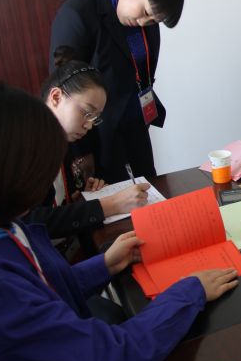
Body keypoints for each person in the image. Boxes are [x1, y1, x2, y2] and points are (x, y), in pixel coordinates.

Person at [0, 76, 239, 361]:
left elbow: (45, 291)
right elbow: (111, 357)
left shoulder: (2, 223)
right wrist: (189, 293)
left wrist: (104, 265)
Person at [49, 0, 185, 183]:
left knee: (149, 190)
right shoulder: (78, 14)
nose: (144, 23)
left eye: (153, 21)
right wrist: (81, 153)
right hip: (96, 134)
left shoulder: (146, 17)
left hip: (135, 124)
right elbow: (66, 90)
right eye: (144, 13)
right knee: (113, 198)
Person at [24, 47, 150, 239]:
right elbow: (29, 222)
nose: (89, 125)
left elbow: (53, 205)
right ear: (56, 97)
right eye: (86, 112)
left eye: (95, 118)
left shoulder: (61, 139)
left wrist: (81, 197)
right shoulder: (24, 146)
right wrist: (111, 204)